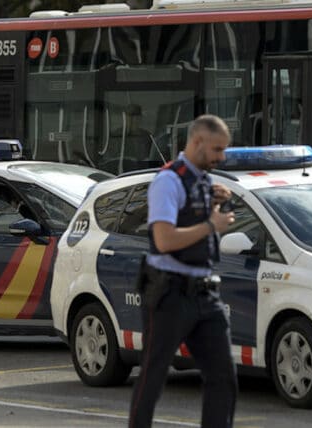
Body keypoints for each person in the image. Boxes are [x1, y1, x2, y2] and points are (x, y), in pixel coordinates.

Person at [129, 114, 237, 428]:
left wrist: (215, 207)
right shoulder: (168, 180)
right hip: (169, 293)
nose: (221, 157)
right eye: (217, 149)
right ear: (197, 142)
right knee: (153, 377)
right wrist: (210, 225)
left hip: (205, 292)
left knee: (223, 377)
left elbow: (197, 221)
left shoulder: (203, 181)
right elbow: (163, 240)